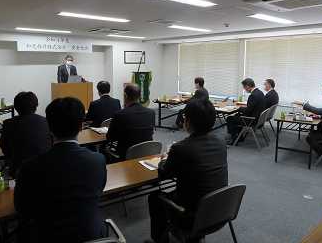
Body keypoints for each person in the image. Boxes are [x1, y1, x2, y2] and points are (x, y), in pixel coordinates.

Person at [14, 97, 107, 242]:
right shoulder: (99, 160)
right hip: (90, 236)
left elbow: (21, 206)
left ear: (48, 127)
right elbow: (98, 191)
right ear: (81, 127)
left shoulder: (29, 167)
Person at [145, 99, 228, 243]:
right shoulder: (221, 142)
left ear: (188, 121)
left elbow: (164, 174)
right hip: (219, 211)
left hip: (190, 216)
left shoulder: (181, 147)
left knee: (154, 197)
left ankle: (160, 241)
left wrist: (165, 158)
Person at [0, 91, 52, 178]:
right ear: (36, 106)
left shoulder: (8, 124)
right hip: (47, 168)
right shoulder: (46, 121)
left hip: (19, 170)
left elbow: (5, 149)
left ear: (16, 108)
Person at [106, 83, 155, 161]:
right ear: (141, 95)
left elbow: (110, 137)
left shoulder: (120, 114)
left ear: (125, 96)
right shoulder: (151, 112)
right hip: (146, 154)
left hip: (126, 155)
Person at [226, 78, 265, 145]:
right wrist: (246, 107)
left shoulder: (253, 95)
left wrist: (239, 108)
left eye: (244, 88)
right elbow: (255, 106)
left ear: (247, 87)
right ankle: (240, 137)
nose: (245, 90)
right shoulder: (259, 92)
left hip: (252, 120)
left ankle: (233, 139)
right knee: (236, 116)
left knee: (230, 119)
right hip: (258, 118)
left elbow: (247, 112)